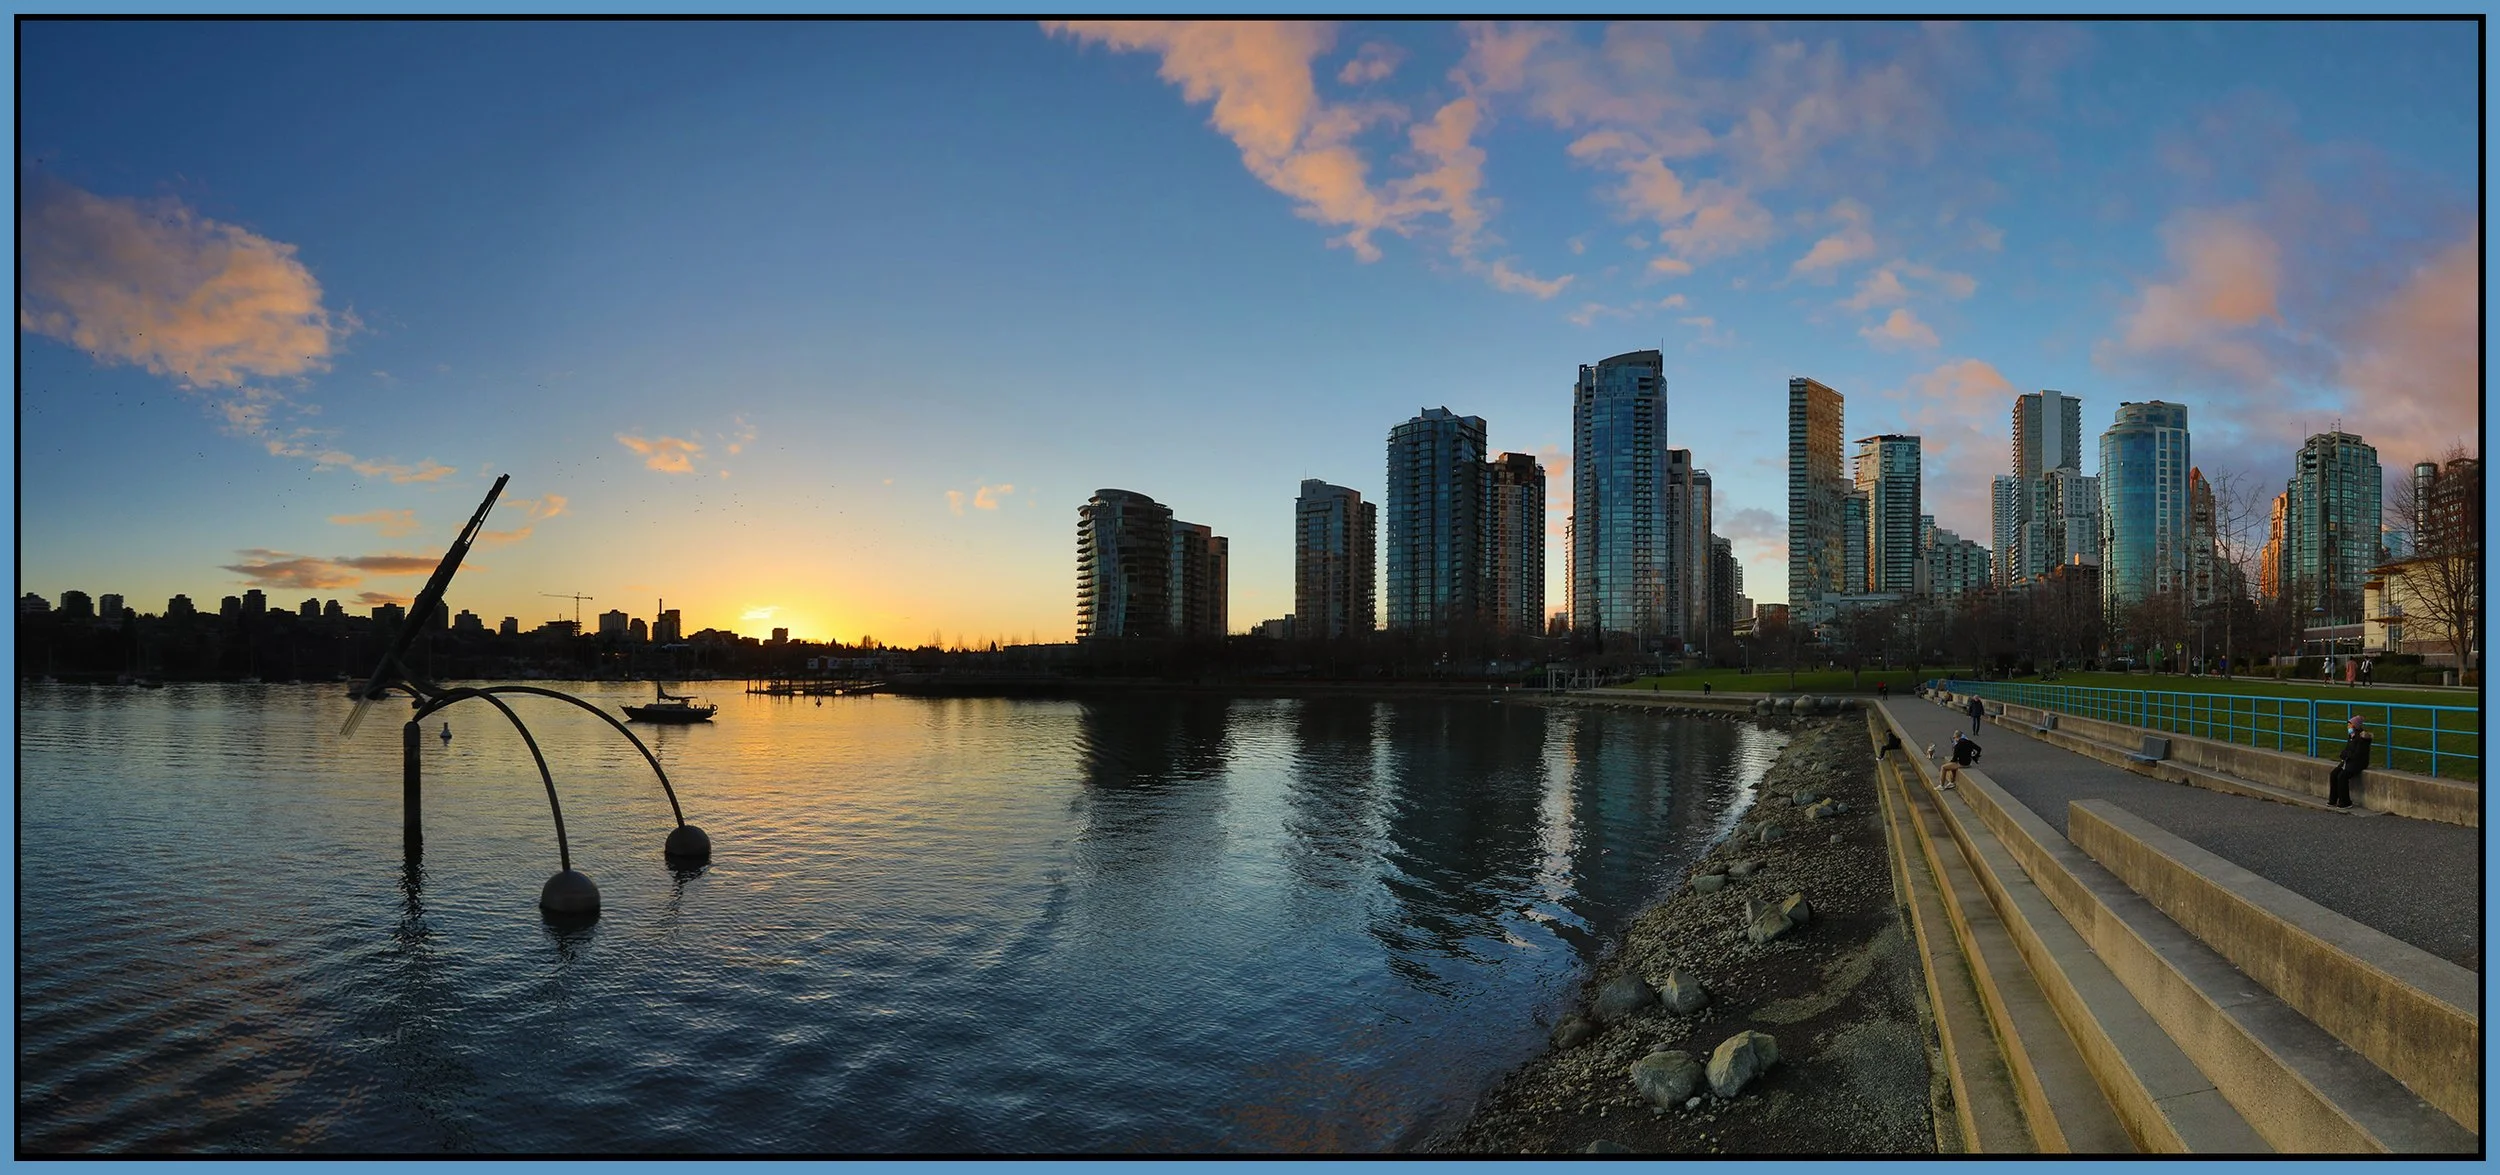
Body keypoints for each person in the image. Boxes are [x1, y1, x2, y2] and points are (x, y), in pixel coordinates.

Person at [2327, 715, 2372, 808]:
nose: (2348, 727)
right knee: (2334, 774)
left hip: (2358, 763)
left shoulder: (2362, 739)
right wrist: (2344, 754)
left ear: (2355, 726)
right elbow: (2347, 749)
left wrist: (2346, 755)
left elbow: (2358, 754)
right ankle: (2333, 800)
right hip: (2348, 761)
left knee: (2342, 777)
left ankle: (2345, 802)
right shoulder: (2351, 736)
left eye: (2350, 725)